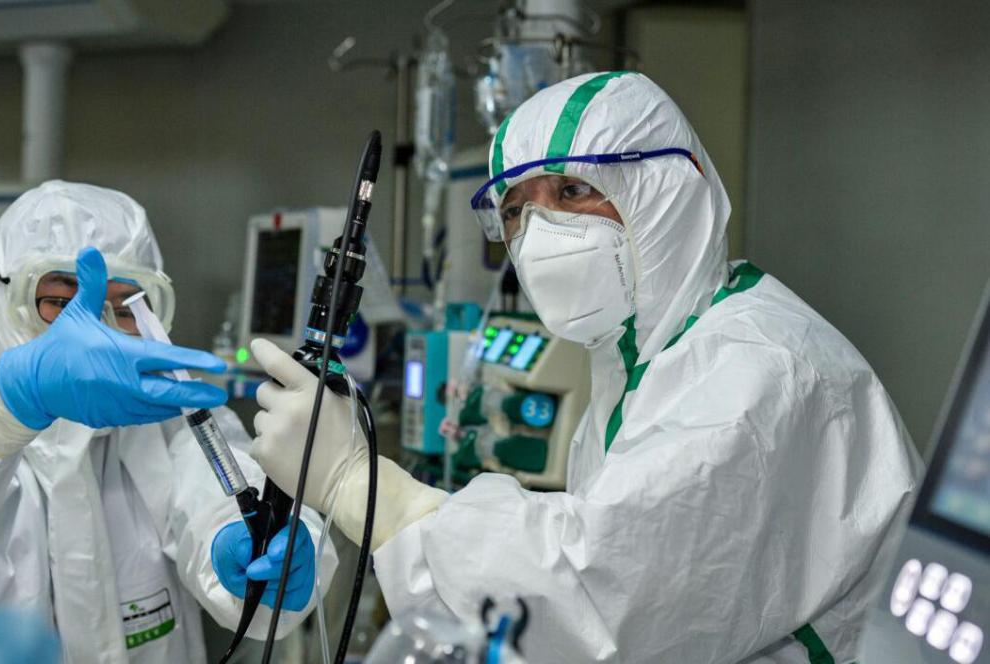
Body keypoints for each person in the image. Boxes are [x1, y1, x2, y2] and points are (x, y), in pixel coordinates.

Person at [249, 72, 922, 662]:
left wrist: (361, 485)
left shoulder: (758, 371)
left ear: (663, 192)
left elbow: (598, 602)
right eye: (517, 210)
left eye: (573, 190)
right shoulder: (645, 360)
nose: (540, 234)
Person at [0, 181, 336, 663]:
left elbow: (225, 492)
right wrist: (7, 405)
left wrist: (251, 546)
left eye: (125, 307)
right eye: (60, 303)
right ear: (2, 302)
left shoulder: (168, 428)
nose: (98, 333)